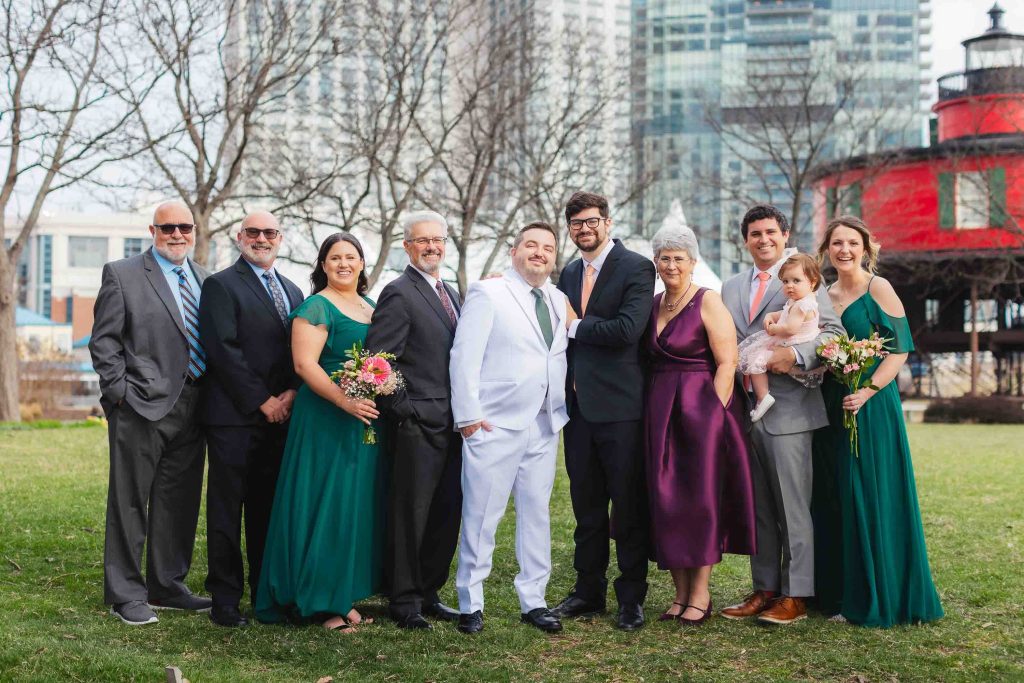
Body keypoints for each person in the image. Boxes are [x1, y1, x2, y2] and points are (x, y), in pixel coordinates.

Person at [812, 215, 943, 627]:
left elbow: (900, 349)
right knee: (834, 495)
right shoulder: (822, 293)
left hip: (870, 403)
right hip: (832, 403)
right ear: (827, 250)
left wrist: (868, 390)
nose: (845, 250)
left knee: (867, 491)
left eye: (852, 243)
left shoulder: (878, 288)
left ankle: (874, 595)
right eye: (837, 244)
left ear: (866, 248)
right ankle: (836, 593)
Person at [719, 204, 843, 625]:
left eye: (771, 232)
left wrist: (792, 353)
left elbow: (833, 335)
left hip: (791, 411)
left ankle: (797, 594)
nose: (763, 239)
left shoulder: (804, 279)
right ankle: (765, 588)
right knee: (759, 508)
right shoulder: (729, 287)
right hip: (744, 412)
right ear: (746, 240)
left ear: (784, 234)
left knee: (792, 507)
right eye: (755, 233)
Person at [89, 201, 212, 625]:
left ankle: (167, 585)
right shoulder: (122, 274)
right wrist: (119, 393)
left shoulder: (204, 278)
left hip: (196, 406)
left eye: (184, 227)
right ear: (153, 230)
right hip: (140, 406)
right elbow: (104, 342)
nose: (177, 234)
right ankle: (126, 592)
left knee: (178, 501)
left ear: (194, 230)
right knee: (129, 501)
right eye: (168, 228)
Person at [255, 233, 384, 633]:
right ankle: (320, 601)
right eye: (334, 258)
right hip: (326, 417)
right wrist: (345, 401)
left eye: (351, 257)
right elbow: (305, 365)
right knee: (325, 503)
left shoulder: (370, 305)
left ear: (362, 263)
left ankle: (341, 592)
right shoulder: (316, 306)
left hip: (360, 417)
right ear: (323, 265)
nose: (343, 263)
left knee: (351, 506)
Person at [449, 222, 573, 635]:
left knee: (537, 515)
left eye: (548, 248)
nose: (540, 253)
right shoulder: (490, 292)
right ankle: (471, 601)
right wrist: (468, 416)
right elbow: (464, 355)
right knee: (483, 514)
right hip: (494, 422)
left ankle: (533, 600)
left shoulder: (557, 298)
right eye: (531, 245)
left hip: (543, 421)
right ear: (515, 250)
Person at [643, 225, 757, 626]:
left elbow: (727, 361)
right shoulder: (653, 303)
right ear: (656, 263)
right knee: (665, 498)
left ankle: (701, 594)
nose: (671, 264)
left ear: (692, 263)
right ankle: (678, 593)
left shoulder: (708, 301)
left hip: (701, 408)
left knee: (699, 499)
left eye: (679, 258)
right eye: (664, 257)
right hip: (658, 411)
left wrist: (713, 411)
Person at [552, 191, 655, 631]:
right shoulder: (569, 271)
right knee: (587, 506)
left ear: (607, 223)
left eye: (592, 221)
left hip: (621, 409)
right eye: (576, 223)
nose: (584, 229)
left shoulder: (636, 267)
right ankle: (587, 591)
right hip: (577, 412)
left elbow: (628, 330)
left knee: (627, 508)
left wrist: (575, 324)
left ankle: (631, 597)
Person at [198, 211, 304, 627]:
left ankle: (265, 594)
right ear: (240, 236)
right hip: (234, 418)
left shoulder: (295, 291)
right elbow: (222, 350)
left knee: (266, 511)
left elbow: (302, 351)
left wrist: (292, 393)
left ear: (280, 237)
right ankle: (225, 599)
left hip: (282, 420)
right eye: (254, 232)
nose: (262, 239)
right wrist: (263, 401)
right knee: (227, 512)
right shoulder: (221, 285)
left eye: (270, 233)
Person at [365, 211, 463, 630]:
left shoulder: (453, 292)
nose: (431, 247)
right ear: (407, 246)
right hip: (417, 425)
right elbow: (377, 362)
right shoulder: (399, 292)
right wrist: (406, 410)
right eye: (422, 241)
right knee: (411, 514)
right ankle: (403, 600)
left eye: (438, 240)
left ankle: (429, 591)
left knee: (445, 512)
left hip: (455, 424)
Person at [738, 253, 824, 422]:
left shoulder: (802, 305)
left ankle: (763, 396)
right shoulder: (796, 301)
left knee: (756, 361)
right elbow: (784, 313)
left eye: (796, 281)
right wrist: (772, 315)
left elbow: (790, 328)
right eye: (785, 281)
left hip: (791, 342)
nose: (789, 286)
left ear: (812, 282)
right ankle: (762, 396)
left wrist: (773, 329)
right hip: (786, 340)